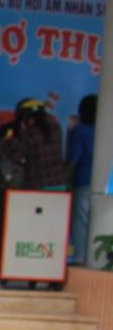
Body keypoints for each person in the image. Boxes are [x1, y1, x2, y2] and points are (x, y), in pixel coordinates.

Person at [0, 98, 67, 189]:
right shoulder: (56, 129)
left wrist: (5, 146)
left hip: (38, 184)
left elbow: (16, 158)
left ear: (28, 117)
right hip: (59, 183)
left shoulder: (29, 133)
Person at [68, 94, 97, 263]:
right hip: (105, 182)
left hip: (83, 179)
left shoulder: (79, 131)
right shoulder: (105, 130)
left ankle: (80, 257)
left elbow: (74, 157)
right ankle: (97, 259)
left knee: (81, 220)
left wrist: (66, 178)